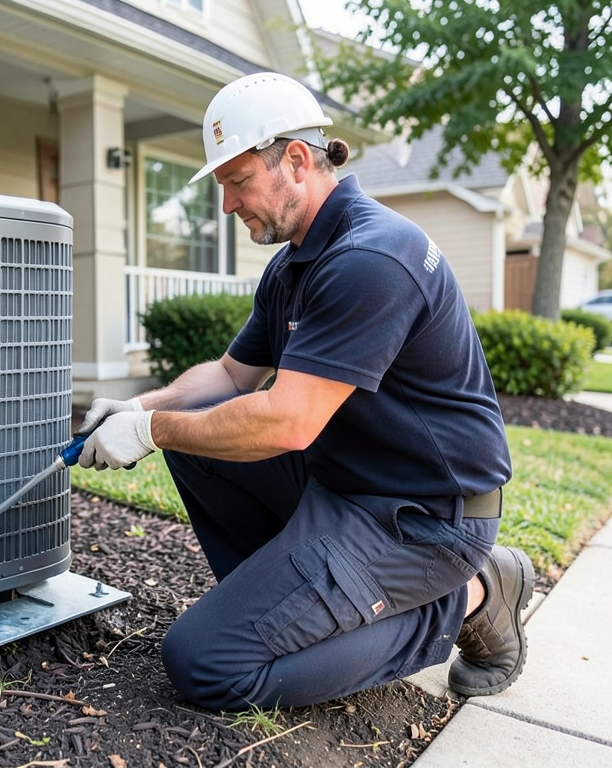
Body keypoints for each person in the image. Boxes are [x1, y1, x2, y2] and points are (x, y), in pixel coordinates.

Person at [76, 72, 534, 710]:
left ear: (294, 159)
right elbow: (231, 376)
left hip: (423, 519)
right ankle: (300, 610)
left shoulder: (370, 259)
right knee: (197, 432)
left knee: (205, 664)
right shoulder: (295, 262)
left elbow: (287, 423)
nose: (229, 204)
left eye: (238, 182)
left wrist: (150, 433)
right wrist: (140, 407)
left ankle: (473, 596)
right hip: (345, 484)